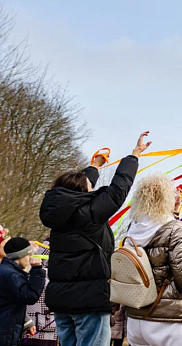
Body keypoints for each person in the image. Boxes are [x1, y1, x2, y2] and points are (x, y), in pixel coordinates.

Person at [39, 132, 151, 346]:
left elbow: (76, 193)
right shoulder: (90, 213)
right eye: (89, 187)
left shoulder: (57, 216)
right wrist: (134, 155)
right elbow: (118, 190)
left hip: (61, 300)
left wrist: (94, 168)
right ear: (81, 192)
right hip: (89, 300)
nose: (92, 190)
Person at [125, 173, 182, 346]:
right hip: (169, 321)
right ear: (169, 200)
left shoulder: (133, 229)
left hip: (136, 320)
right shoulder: (175, 229)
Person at [0, 237, 46, 346]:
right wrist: (37, 270)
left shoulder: (5, 270)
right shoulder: (12, 275)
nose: (30, 259)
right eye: (29, 255)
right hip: (5, 331)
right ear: (20, 255)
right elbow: (30, 296)